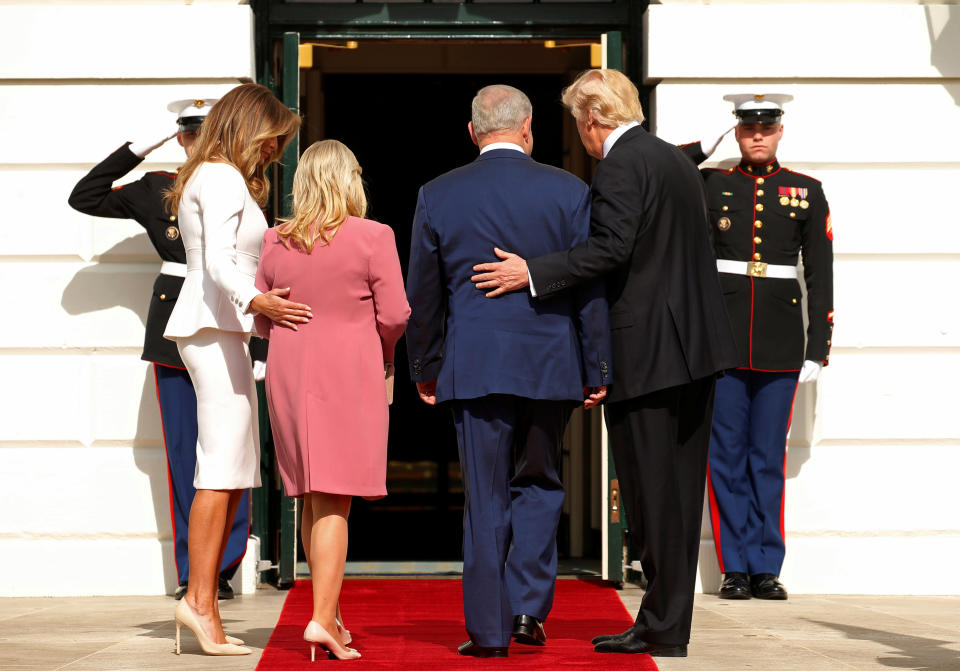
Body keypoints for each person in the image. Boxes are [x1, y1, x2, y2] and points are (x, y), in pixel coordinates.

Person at [469, 69, 739, 657]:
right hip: (694, 350)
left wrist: (531, 271)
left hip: (651, 354)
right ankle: (663, 623)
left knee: (648, 494)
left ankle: (662, 624)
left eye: (577, 122)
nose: (580, 134)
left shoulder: (620, 163)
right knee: (675, 494)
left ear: (592, 119)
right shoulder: (671, 159)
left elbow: (611, 247)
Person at [406, 84, 612, 659]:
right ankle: (528, 612)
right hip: (550, 365)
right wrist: (597, 362)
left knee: (486, 497)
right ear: (527, 128)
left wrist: (426, 363)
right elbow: (589, 284)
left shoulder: (437, 193)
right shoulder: (570, 190)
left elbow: (423, 294)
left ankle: (490, 633)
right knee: (541, 483)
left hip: (473, 365)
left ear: (472, 132)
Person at [67, 98, 251, 601]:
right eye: (188, 134)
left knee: (233, 446)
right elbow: (85, 196)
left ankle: (227, 561)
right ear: (181, 138)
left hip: (235, 317)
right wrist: (138, 148)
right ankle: (197, 569)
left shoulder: (244, 181)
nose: (195, 143)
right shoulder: (157, 187)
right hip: (175, 322)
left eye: (201, 133)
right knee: (183, 447)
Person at [253, 139, 410, 661]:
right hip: (349, 371)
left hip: (290, 370)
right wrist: (381, 351)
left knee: (310, 493)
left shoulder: (276, 240)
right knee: (336, 496)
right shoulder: (373, 235)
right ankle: (321, 619)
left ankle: (330, 615)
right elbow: (395, 314)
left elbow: (261, 314)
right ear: (351, 179)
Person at [163, 83, 305, 656]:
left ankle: (202, 601)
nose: (273, 152)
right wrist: (259, 301)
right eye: (272, 140)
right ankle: (199, 603)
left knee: (229, 465)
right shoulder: (220, 176)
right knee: (219, 468)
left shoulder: (215, 174)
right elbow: (221, 261)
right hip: (216, 323)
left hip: (220, 327)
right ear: (247, 127)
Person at [700, 94, 834, 601]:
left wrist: (817, 347)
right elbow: (668, 166)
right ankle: (734, 566)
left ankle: (765, 566)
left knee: (766, 458)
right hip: (724, 341)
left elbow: (821, 273)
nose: (757, 135)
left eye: (767, 127)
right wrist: (700, 146)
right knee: (725, 456)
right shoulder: (712, 183)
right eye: (748, 128)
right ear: (736, 132)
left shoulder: (806, 190)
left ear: (780, 131)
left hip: (780, 344)